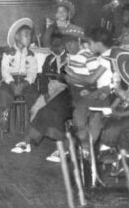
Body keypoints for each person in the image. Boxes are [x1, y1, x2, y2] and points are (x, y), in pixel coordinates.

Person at [13, 32, 81, 161]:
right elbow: (44, 78)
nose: (56, 48)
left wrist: (62, 77)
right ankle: (28, 141)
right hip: (51, 89)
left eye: (59, 45)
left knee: (52, 109)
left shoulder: (69, 58)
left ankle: (62, 147)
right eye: (53, 46)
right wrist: (45, 92)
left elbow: (68, 78)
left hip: (66, 90)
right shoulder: (49, 58)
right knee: (37, 108)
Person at [66, 28, 117, 162]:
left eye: (90, 43)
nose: (88, 46)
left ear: (99, 44)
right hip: (104, 91)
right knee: (93, 117)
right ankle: (88, 148)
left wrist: (73, 74)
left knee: (80, 108)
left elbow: (91, 79)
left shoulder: (106, 58)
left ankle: (84, 141)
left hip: (106, 92)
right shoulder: (109, 54)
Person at [0, 22, 39, 134]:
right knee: (5, 92)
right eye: (26, 35)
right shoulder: (8, 53)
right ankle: (4, 120)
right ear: (17, 37)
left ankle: (34, 121)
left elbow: (32, 72)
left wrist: (26, 83)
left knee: (34, 94)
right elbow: (5, 71)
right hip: (9, 81)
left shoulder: (31, 55)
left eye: (30, 35)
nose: (29, 38)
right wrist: (12, 83)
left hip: (25, 81)